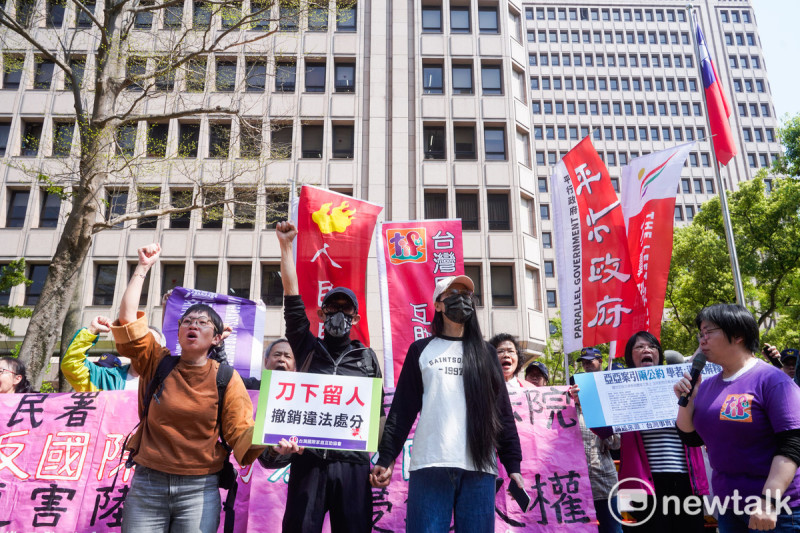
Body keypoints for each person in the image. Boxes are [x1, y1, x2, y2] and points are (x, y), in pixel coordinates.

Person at [112, 243, 265, 533]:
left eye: (203, 322)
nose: (193, 324)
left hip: (200, 490)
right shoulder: (157, 361)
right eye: (187, 321)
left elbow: (241, 431)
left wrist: (273, 438)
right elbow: (128, 322)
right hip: (147, 484)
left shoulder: (226, 378)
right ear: (179, 330)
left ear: (217, 338)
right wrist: (142, 269)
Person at [371, 275, 524, 532]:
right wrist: (386, 457)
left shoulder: (486, 353)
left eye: (466, 295)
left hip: (479, 469)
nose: (461, 299)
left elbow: (501, 412)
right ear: (439, 305)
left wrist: (513, 465)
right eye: (453, 294)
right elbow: (402, 410)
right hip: (430, 465)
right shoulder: (421, 350)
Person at [274, 221, 383, 533]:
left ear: (355, 318)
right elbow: (293, 304)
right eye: (331, 307)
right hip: (308, 461)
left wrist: (383, 460)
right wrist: (286, 247)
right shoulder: (307, 347)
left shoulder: (367, 358)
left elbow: (377, 414)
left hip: (353, 466)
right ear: (320, 314)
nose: (338, 314)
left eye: (345, 310)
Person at [675, 304, 800, 532]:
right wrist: (688, 400)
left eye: (709, 332)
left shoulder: (772, 381)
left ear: (738, 335)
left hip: (776, 510)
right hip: (729, 507)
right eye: (700, 334)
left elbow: (793, 443)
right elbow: (691, 438)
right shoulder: (708, 385)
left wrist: (769, 501)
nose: (702, 341)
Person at [593, 331, 709, 533]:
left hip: (686, 479)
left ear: (659, 353)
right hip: (638, 483)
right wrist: (587, 401)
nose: (646, 350)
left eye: (651, 346)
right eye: (639, 347)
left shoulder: (679, 380)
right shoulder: (618, 388)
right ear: (630, 356)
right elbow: (601, 430)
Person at [569, 347, 622, 533]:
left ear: (600, 362)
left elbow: (616, 443)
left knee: (612, 528)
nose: (586, 365)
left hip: (604, 480)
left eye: (590, 361)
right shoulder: (567, 410)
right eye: (583, 362)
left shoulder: (609, 398)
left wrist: (593, 411)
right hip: (574, 484)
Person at [61, 315, 166, 392]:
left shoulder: (167, 384)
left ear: (161, 350)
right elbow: (71, 364)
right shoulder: (105, 379)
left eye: (152, 343)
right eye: (140, 340)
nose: (144, 346)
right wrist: (92, 330)